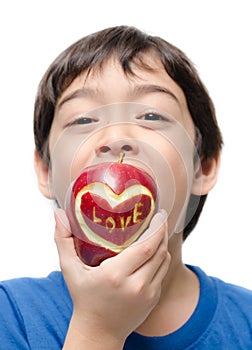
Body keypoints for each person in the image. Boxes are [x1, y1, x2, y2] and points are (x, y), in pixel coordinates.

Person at [1, 25, 252, 350]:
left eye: (151, 115)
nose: (117, 137)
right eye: (83, 121)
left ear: (203, 166)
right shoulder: (11, 315)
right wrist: (98, 330)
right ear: (46, 171)